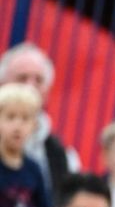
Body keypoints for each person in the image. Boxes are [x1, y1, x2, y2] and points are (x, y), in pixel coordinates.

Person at [0, 43, 80, 196]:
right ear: (2, 84)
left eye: (39, 80)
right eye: (21, 78)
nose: (30, 87)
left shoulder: (64, 155)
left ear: (47, 91)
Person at [0, 83, 50, 207]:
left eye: (25, 119)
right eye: (10, 117)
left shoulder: (33, 167)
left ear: (34, 126)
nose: (18, 126)